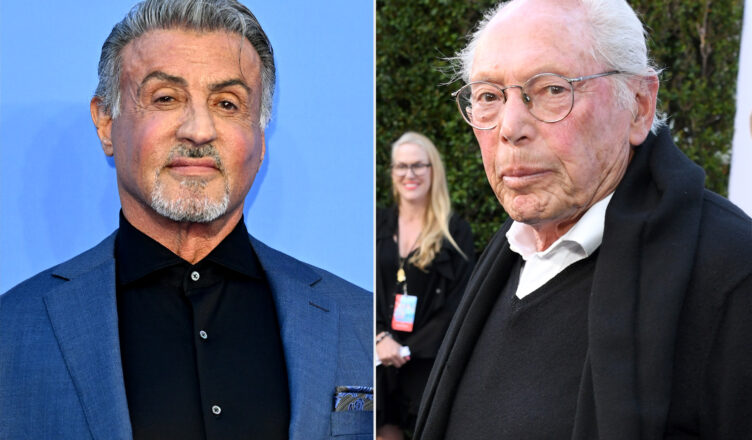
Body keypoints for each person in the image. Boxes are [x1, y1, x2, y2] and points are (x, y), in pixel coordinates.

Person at [0, 1, 372, 439]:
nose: (199, 130)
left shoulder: (359, 319)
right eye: (166, 98)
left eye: (227, 103)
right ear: (105, 124)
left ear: (260, 137)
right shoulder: (13, 332)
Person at [413, 0, 752, 439]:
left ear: (640, 105)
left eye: (553, 89)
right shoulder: (510, 252)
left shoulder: (731, 271)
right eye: (489, 96)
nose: (510, 127)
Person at [377, 132, 474, 440]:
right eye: (401, 166)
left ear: (434, 170)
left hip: (429, 361)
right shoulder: (377, 223)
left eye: (418, 165)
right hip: (379, 356)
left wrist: (407, 349)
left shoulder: (456, 232)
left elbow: (458, 304)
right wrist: (380, 338)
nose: (410, 174)